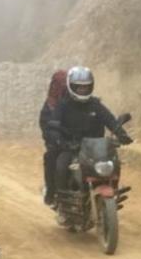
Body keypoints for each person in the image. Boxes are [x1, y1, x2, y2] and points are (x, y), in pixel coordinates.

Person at [45, 66, 133, 206]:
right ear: (71, 86)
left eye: (86, 88)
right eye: (79, 88)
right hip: (72, 148)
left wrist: (120, 133)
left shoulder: (95, 105)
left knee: (113, 163)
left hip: (95, 149)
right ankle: (61, 200)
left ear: (91, 87)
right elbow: (53, 124)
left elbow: (110, 120)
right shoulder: (63, 105)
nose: (82, 90)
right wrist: (59, 139)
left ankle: (112, 190)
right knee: (61, 165)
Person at [40, 70, 68, 205]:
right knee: (51, 157)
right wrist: (55, 139)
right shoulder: (50, 105)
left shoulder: (77, 101)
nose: (64, 86)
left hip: (80, 142)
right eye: (61, 83)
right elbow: (45, 125)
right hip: (59, 144)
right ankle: (51, 192)